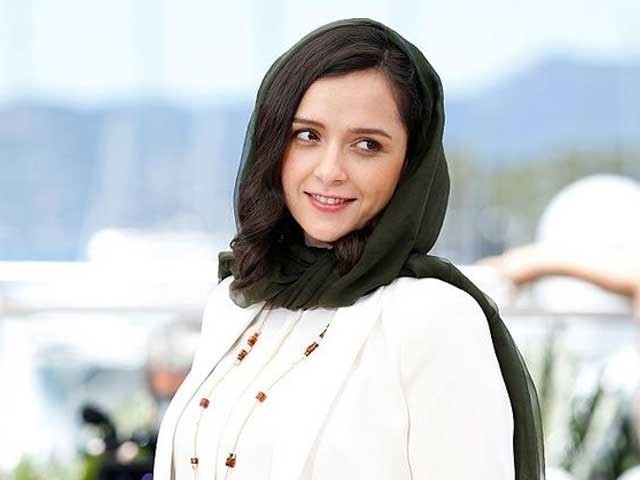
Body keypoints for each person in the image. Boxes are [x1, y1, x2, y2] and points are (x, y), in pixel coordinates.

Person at [153, 18, 544, 480]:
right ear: (272, 143)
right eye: (307, 135)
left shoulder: (433, 318)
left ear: (410, 163)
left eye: (367, 144)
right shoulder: (238, 301)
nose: (330, 170)